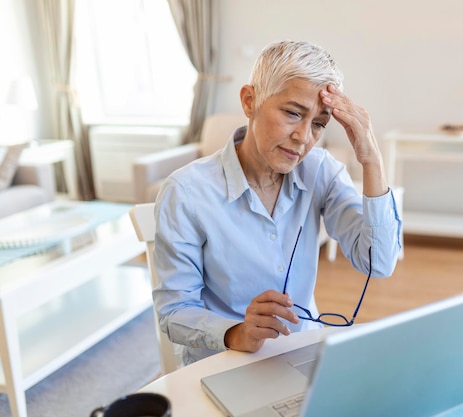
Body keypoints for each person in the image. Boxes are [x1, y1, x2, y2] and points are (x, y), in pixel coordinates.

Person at [153, 40, 402, 365]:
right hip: (223, 361)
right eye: (292, 113)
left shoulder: (321, 171)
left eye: (318, 124)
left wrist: (371, 159)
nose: (303, 136)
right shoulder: (186, 192)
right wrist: (238, 332)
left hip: (303, 354)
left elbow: (378, 263)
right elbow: (174, 311)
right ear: (249, 100)